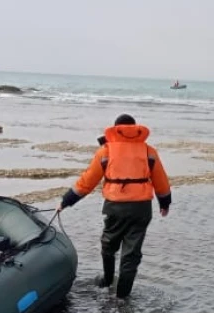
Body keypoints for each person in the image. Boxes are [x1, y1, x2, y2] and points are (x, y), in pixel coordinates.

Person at [59, 114, 172, 298]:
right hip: (141, 208)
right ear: (136, 130)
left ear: (115, 129)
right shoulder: (148, 151)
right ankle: (122, 297)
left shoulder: (106, 151)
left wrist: (66, 201)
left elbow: (87, 180)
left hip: (115, 207)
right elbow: (161, 180)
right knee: (131, 254)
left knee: (108, 244)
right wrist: (164, 202)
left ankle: (107, 280)